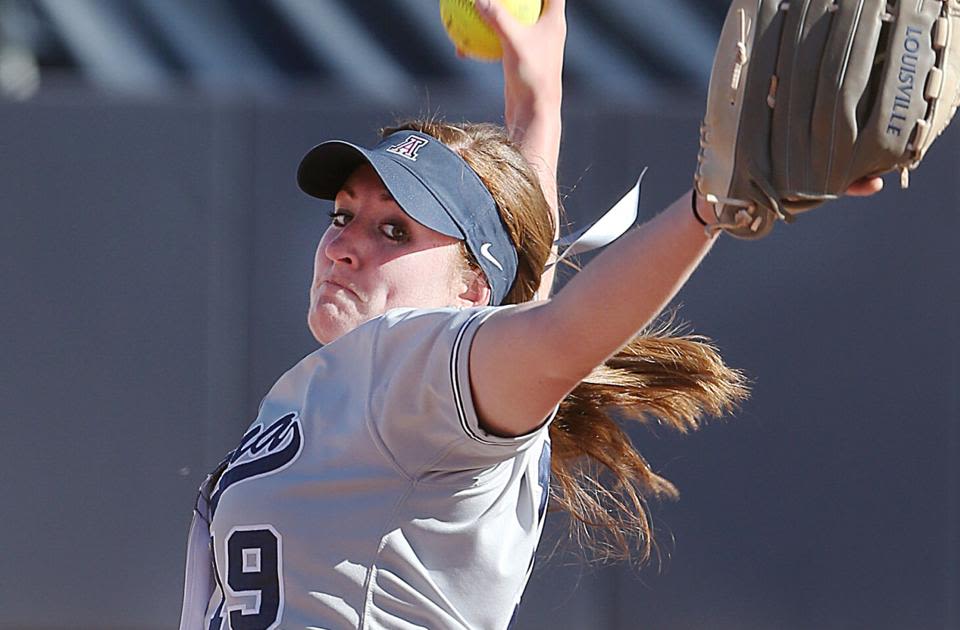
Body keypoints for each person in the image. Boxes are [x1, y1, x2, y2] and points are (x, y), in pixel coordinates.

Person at [180, 1, 882, 628]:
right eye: (344, 214)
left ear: (471, 293)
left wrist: (712, 207)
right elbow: (521, 294)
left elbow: (557, 334)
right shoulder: (412, 392)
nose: (342, 245)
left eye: (395, 230)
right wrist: (535, 112)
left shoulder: (409, 368)